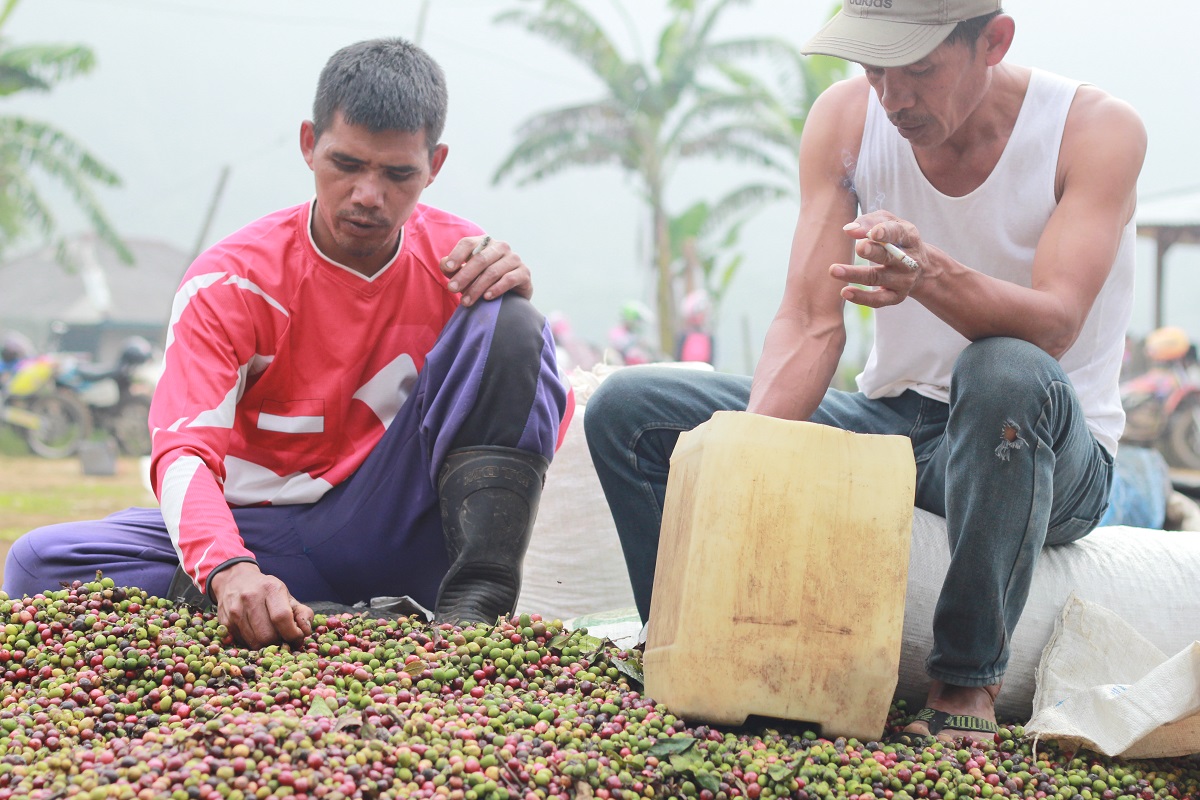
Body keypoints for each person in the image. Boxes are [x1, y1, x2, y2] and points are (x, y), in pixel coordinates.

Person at [584, 0, 1145, 744]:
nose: (894, 97)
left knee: (1003, 370)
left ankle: (964, 686)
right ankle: (691, 645)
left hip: (1042, 442)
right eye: (875, 69)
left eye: (918, 70)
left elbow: (1056, 322)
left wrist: (929, 275)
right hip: (898, 426)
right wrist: (746, 457)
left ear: (993, 42)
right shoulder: (846, 120)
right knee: (633, 411)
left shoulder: (1094, 130)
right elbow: (812, 318)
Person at [4, 37, 570, 649]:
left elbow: (529, 421)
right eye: (346, 164)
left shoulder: (464, 263)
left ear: (435, 165)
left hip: (398, 522)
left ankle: (475, 613)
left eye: (398, 173)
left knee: (510, 318)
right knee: (41, 561)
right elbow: (183, 451)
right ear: (308, 144)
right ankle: (343, 621)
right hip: (266, 539)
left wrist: (514, 322)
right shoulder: (231, 281)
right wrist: (228, 566)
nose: (367, 195)